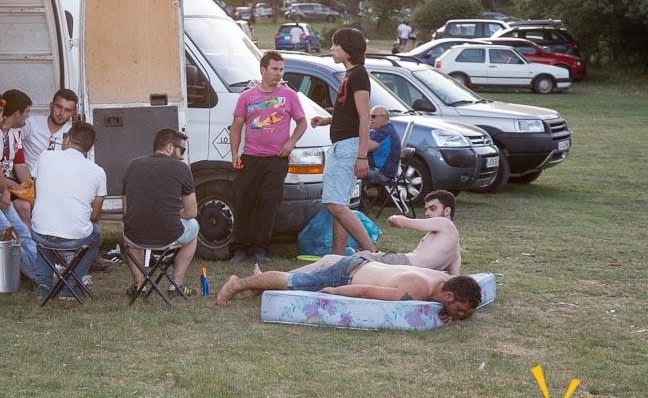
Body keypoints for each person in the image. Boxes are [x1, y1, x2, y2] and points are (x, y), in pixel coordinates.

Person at [215, 256, 481, 322]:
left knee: (296, 281)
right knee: (294, 282)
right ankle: (238, 283)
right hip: (348, 274)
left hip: (362, 264)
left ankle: (257, 286)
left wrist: (444, 310)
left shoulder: (444, 279)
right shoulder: (416, 289)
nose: (459, 316)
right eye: (459, 310)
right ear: (449, 296)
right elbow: (366, 291)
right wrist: (334, 291)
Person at [228, 51, 307, 264]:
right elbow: (236, 127)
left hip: (276, 159)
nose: (278, 74)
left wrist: (290, 143)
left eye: (281, 69)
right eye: (274, 69)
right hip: (250, 158)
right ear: (263, 70)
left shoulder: (289, 95)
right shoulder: (247, 96)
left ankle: (260, 250)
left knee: (268, 205)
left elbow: (302, 122)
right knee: (243, 202)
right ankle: (239, 248)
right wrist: (234, 154)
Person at [310, 27, 378, 255]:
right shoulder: (350, 75)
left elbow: (364, 117)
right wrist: (327, 120)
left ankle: (372, 252)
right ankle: (337, 256)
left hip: (348, 146)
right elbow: (350, 114)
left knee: (334, 204)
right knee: (339, 204)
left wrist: (362, 156)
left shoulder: (358, 75)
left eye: (336, 45)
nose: (331, 49)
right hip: (342, 144)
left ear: (348, 49)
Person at [293, 190, 462, 275]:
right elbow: (454, 276)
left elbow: (406, 222)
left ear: (447, 211)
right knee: (347, 263)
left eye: (432, 208)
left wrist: (395, 218)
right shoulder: (455, 249)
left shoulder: (445, 224)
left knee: (334, 260)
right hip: (404, 270)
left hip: (400, 265)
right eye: (426, 209)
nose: (427, 213)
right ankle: (291, 277)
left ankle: (288, 277)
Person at [30, 121, 106, 299]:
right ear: (89, 148)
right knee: (96, 234)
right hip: (73, 238)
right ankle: (71, 284)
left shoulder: (45, 157)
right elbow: (95, 215)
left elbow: (37, 193)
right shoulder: (98, 172)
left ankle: (43, 283)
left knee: (47, 224)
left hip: (39, 232)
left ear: (67, 140)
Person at [122, 129, 199, 296]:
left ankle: (139, 285)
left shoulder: (132, 165)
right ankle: (176, 284)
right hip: (169, 234)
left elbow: (126, 210)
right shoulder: (182, 168)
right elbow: (192, 212)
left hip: (134, 235)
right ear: (170, 147)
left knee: (130, 229)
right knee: (194, 226)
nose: (182, 157)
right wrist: (176, 213)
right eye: (182, 150)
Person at [0, 91, 37, 283]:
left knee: (23, 232)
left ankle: (44, 271)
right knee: (7, 234)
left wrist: (4, 192)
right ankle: (40, 278)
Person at [0, 88, 32, 226]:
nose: (28, 116)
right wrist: (13, 185)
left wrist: (30, 187)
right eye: (26, 112)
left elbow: (20, 164)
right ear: (17, 114)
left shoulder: (16, 132)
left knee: (34, 201)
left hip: (10, 184)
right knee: (24, 207)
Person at [22, 88, 77, 175]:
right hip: (28, 179)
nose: (61, 113)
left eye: (67, 110)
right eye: (59, 107)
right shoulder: (31, 123)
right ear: (51, 106)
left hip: (56, 180)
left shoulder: (72, 134)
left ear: (72, 113)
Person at [366, 106, 401, 184]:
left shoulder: (384, 131)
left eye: (373, 116)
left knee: (346, 169)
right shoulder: (382, 129)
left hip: (381, 173)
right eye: (369, 116)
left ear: (383, 117)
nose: (370, 119)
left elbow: (364, 149)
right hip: (380, 171)